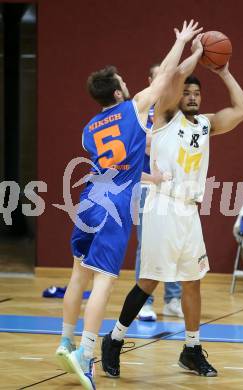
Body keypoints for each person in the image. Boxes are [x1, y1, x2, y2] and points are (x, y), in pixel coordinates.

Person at [55, 20, 203, 390]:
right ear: (120, 92)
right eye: (123, 80)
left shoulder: (89, 129)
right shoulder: (135, 107)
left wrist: (150, 178)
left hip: (88, 200)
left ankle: (65, 340)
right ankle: (86, 357)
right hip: (114, 209)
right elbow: (168, 73)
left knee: (78, 274)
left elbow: (118, 166)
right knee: (104, 282)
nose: (127, 82)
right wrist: (184, 43)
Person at [101, 33, 243, 378]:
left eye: (198, 93)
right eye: (188, 92)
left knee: (193, 282)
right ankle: (115, 338)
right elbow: (173, 79)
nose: (193, 97)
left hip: (188, 210)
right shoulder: (164, 118)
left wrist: (224, 72)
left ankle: (192, 349)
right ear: (176, 97)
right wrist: (194, 51)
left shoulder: (205, 124)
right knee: (150, 281)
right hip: (161, 206)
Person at [136, 63, 183, 322]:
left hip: (175, 187)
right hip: (148, 186)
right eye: (159, 77)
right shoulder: (143, 110)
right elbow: (145, 146)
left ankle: (174, 298)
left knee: (174, 243)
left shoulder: (176, 112)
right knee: (148, 245)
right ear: (151, 80)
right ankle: (145, 302)